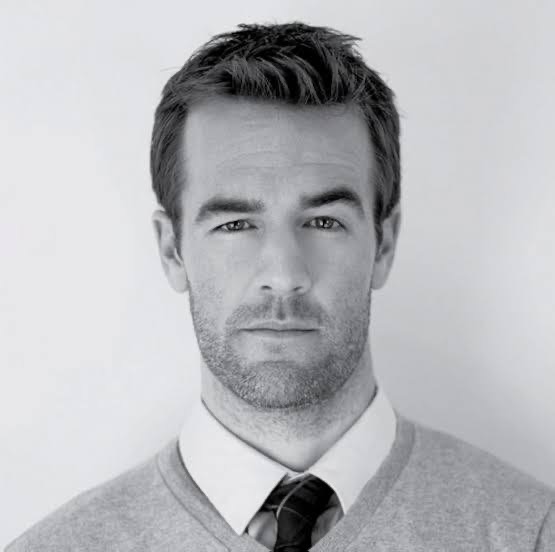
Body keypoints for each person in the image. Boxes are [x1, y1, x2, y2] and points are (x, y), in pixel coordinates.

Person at [6, 21, 554, 552]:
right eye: (235, 225)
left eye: (324, 222)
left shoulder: (532, 533)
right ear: (172, 250)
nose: (285, 275)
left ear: (384, 245)